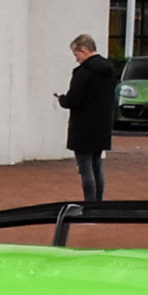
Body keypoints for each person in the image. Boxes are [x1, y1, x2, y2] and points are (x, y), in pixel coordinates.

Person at [57, 33, 116, 203]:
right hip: (102, 124)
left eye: (76, 55)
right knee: (97, 165)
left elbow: (73, 100)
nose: (76, 59)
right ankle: (98, 203)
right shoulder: (109, 69)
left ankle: (89, 205)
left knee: (85, 167)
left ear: (83, 51)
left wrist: (62, 99)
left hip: (83, 126)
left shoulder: (83, 72)